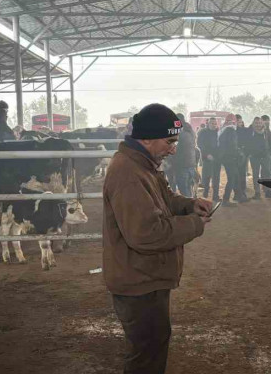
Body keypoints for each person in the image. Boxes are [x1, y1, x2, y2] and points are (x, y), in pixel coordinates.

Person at [102, 103, 213, 374]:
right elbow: (147, 234)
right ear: (147, 138)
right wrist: (194, 224)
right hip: (139, 281)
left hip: (144, 277)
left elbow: (162, 199)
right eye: (170, 141)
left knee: (152, 345)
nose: (174, 148)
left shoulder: (143, 164)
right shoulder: (129, 173)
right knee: (147, 354)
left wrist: (189, 204)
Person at [217, 117, 248, 206]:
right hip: (230, 159)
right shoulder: (230, 131)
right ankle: (225, 200)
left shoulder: (224, 131)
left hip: (227, 158)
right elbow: (231, 146)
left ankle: (239, 196)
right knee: (232, 179)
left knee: (236, 177)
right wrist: (236, 154)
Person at [247, 117, 271, 199]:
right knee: (255, 175)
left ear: (262, 123)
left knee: (267, 174)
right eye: (256, 123)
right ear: (253, 123)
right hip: (254, 157)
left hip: (266, 156)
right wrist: (250, 153)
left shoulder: (266, 131)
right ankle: (257, 193)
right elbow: (246, 142)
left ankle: (268, 191)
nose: (258, 124)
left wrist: (270, 152)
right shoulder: (250, 131)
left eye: (259, 123)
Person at [170, 113, 197, 197]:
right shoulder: (190, 130)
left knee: (184, 191)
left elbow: (173, 149)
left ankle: (190, 208)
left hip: (182, 165)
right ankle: (192, 205)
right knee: (189, 188)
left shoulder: (178, 132)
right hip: (191, 164)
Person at [197, 117, 220, 201]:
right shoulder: (203, 132)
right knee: (207, 177)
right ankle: (205, 193)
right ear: (208, 124)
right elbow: (200, 144)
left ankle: (215, 196)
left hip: (217, 158)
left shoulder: (218, 132)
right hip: (207, 158)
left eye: (215, 123)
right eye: (212, 123)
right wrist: (207, 155)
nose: (214, 125)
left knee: (216, 178)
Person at [234, 114, 251, 199]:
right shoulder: (231, 131)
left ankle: (243, 193)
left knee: (242, 174)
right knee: (234, 176)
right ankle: (236, 194)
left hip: (243, 155)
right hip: (233, 156)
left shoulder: (245, 130)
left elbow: (249, 142)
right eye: (237, 121)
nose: (238, 123)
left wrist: (246, 153)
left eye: (240, 121)